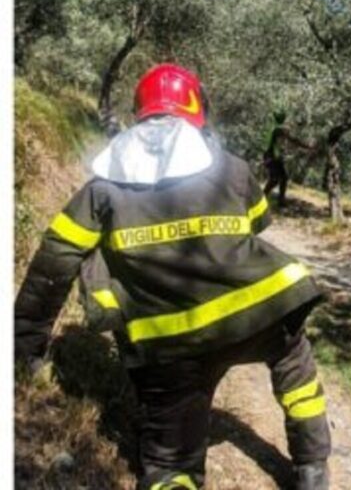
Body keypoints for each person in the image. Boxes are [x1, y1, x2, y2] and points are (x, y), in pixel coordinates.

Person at [14, 63, 331, 490]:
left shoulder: (102, 188)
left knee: (170, 465)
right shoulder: (233, 169)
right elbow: (257, 222)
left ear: (138, 112)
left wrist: (26, 345)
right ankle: (313, 467)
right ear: (198, 109)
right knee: (294, 364)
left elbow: (54, 262)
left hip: (167, 347)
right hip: (257, 320)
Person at [263, 109, 313, 207]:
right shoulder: (279, 130)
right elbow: (293, 140)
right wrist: (307, 146)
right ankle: (278, 201)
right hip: (272, 156)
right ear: (283, 119)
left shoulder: (274, 128)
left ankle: (270, 199)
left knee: (277, 179)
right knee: (280, 178)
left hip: (270, 155)